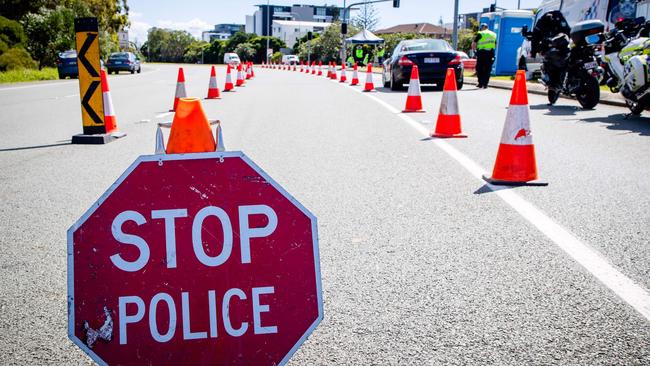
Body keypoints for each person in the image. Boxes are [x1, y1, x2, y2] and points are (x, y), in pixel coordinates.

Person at [472, 23, 497, 89]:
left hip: (481, 53)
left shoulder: (481, 33)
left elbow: (474, 43)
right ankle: (485, 84)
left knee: (479, 68)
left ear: (483, 27)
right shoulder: (493, 34)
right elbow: (495, 44)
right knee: (488, 68)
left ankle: (480, 83)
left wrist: (474, 51)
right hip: (490, 53)